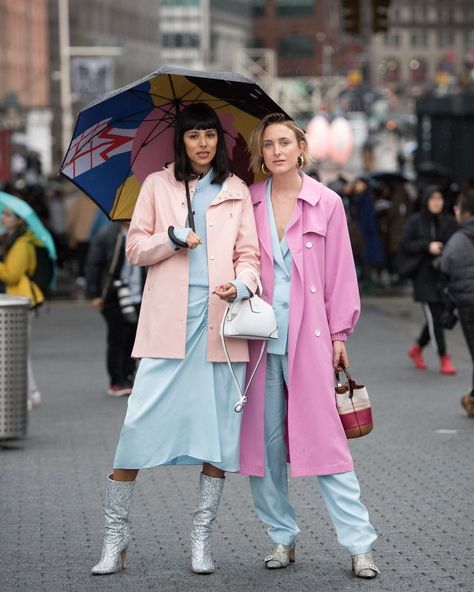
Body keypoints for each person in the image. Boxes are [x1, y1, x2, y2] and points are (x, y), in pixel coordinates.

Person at [91, 103, 260, 576]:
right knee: (136, 428)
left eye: (210, 135)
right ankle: (114, 538)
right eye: (193, 135)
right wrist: (171, 237)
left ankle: (201, 540)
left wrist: (241, 284)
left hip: (220, 328)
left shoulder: (235, 190)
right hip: (167, 325)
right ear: (180, 141)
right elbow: (135, 248)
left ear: (218, 141)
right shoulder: (156, 186)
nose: (203, 143)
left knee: (218, 440)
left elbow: (250, 254)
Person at [239, 113, 379, 579]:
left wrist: (340, 335)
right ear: (260, 154)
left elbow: (341, 273)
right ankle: (281, 538)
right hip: (259, 341)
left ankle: (359, 545)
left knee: (326, 443)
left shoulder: (327, 203)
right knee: (263, 447)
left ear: (301, 149)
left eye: (285, 143)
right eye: (268, 145)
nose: (276, 151)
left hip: (310, 338)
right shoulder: (247, 201)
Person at [402, 186, 458, 373]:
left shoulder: (449, 221)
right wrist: (427, 246)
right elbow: (405, 244)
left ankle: (417, 348)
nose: (436, 202)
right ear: (426, 200)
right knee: (434, 316)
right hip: (423, 276)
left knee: (438, 316)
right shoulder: (416, 221)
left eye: (439, 198)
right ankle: (444, 357)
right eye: (432, 198)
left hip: (443, 277)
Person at [85, 221, 145, 396]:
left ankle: (128, 376)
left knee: (134, 339)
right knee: (117, 337)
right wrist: (94, 294)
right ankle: (116, 380)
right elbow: (93, 264)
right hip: (113, 295)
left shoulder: (144, 233)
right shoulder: (108, 235)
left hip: (138, 294)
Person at [0, 207, 44, 409]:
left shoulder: (21, 244)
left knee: (17, 351)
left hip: (20, 301)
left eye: (8, 215)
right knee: (16, 351)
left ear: (19, 221)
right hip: (12, 301)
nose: (3, 217)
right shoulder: (8, 240)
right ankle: (31, 392)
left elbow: (12, 275)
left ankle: (27, 394)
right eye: (3, 213)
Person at [441, 190, 474, 417]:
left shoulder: (458, 239)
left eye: (457, 207)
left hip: (467, 305)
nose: (454, 211)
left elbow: (447, 266)